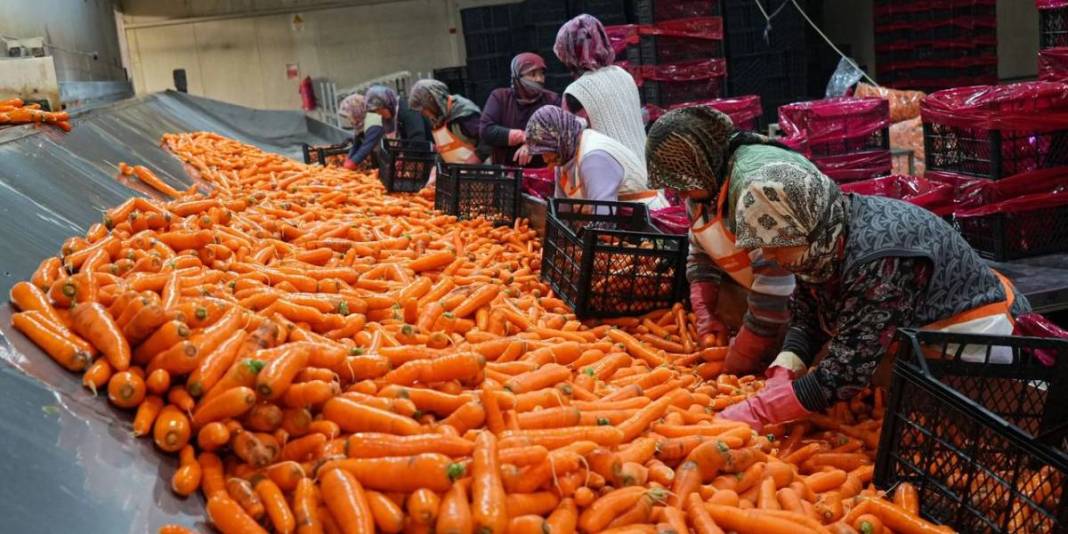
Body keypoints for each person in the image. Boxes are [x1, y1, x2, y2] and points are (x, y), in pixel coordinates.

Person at [714, 141, 1030, 432]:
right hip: (922, 341)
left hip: (975, 342)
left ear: (807, 230)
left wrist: (760, 412)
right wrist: (789, 361)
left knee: (982, 431)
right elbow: (809, 309)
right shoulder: (823, 237)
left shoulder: (879, 259)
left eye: (775, 246)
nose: (768, 255)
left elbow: (848, 369)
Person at [646, 107, 796, 375]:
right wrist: (705, 311)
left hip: (816, 303)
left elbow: (776, 284)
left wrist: (745, 351)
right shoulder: (702, 191)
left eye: (681, 180)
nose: (678, 192)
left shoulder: (755, 188)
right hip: (775, 309)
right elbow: (701, 252)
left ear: (701, 161)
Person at [526, 105, 667, 208]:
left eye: (545, 151)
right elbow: (562, 211)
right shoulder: (564, 157)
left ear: (558, 140)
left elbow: (603, 217)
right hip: (620, 223)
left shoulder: (593, 158)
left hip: (646, 221)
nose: (544, 159)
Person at [554, 14, 648, 163]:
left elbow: (569, 147)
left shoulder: (576, 91)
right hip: (646, 169)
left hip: (614, 178)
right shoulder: (623, 75)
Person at [479, 52, 560, 166]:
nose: (539, 79)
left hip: (544, 173)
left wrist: (533, 144)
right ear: (517, 76)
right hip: (507, 174)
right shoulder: (499, 97)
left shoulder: (552, 100)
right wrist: (523, 136)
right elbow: (486, 130)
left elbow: (561, 132)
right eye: (532, 74)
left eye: (541, 74)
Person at [407, 79, 489, 164]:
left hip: (480, 173)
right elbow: (445, 151)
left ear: (432, 100)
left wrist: (477, 157)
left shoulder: (463, 114)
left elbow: (488, 139)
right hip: (457, 174)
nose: (422, 113)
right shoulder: (437, 119)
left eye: (423, 108)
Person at [364, 85, 430, 144]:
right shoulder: (390, 118)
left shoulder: (407, 110)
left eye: (379, 110)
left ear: (387, 104)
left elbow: (418, 139)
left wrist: (405, 156)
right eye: (376, 111)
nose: (378, 114)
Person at [338, 93, 384, 170]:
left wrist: (352, 163)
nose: (349, 119)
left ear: (356, 111)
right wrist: (348, 159)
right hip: (378, 156)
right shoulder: (360, 122)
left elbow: (366, 147)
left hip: (388, 155)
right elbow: (356, 144)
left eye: (348, 115)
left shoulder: (374, 122)